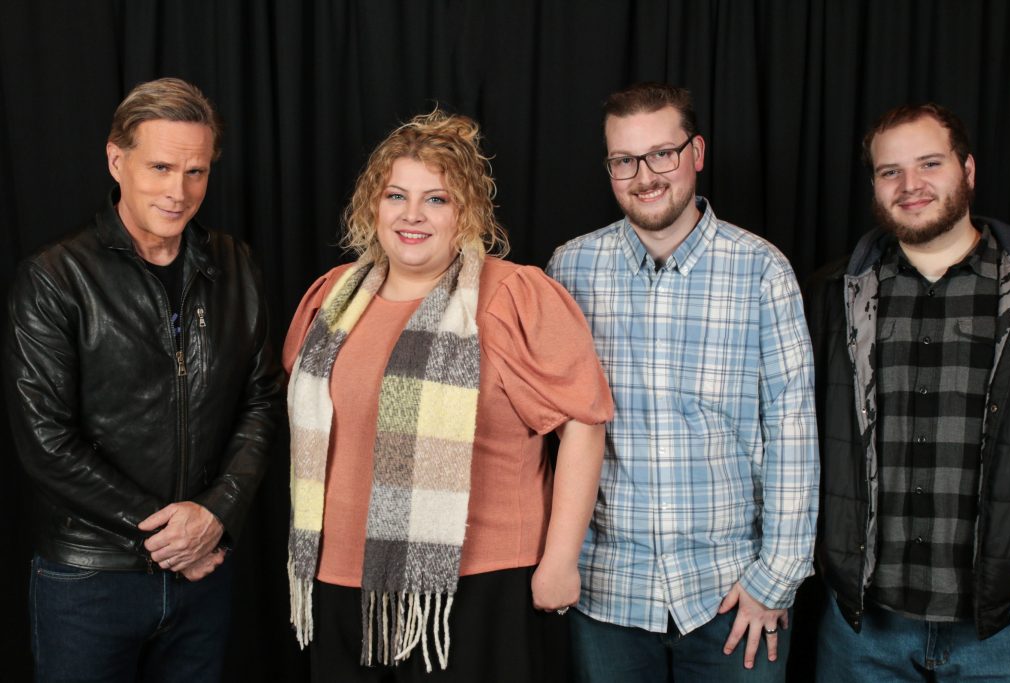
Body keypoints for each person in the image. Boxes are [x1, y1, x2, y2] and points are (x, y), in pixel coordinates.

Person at [283, 109, 613, 682]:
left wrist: (561, 560)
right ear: (372, 206)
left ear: (467, 212)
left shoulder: (511, 297)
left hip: (476, 586)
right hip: (338, 579)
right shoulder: (334, 300)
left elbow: (583, 425)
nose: (412, 215)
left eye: (436, 199)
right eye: (396, 196)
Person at [4, 77, 282, 682]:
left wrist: (216, 514)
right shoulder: (56, 278)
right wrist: (171, 536)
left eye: (195, 172)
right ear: (116, 160)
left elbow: (262, 399)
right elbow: (46, 441)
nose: (178, 192)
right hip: (90, 579)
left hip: (204, 574)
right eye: (160, 167)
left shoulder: (234, 264)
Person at [546, 82, 819, 681]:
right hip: (607, 591)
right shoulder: (570, 268)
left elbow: (792, 430)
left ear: (695, 153)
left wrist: (776, 578)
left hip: (732, 593)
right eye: (624, 160)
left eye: (661, 154)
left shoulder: (762, 270)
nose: (644, 176)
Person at [807, 103, 1010, 681]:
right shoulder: (833, 295)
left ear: (967, 169)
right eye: (890, 171)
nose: (910, 185)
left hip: (1006, 628)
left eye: (930, 163)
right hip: (862, 628)